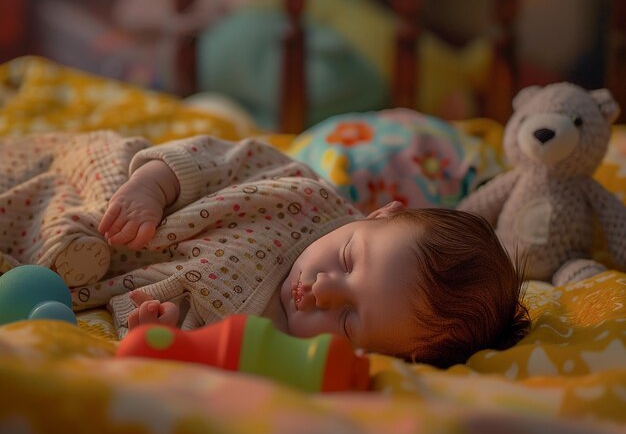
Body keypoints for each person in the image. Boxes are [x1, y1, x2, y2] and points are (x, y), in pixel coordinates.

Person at [0, 131, 530, 367]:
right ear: (379, 214)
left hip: (90, 272)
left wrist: (158, 337)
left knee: (46, 259)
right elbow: (222, 159)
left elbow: (189, 353)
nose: (321, 292)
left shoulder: (269, 343)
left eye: (348, 321)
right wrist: (154, 186)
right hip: (127, 195)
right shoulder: (304, 195)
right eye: (348, 260)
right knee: (88, 182)